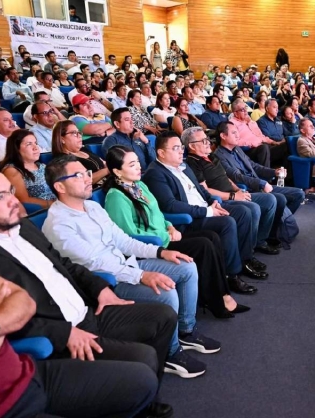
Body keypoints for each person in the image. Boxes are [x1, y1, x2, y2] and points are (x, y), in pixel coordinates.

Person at [0, 162, 176, 418]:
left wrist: (100, 289)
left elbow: (63, 264)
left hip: (87, 311)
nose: (13, 200)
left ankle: (144, 400)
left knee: (162, 316)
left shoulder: (21, 226)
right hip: (58, 337)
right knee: (141, 364)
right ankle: (137, 398)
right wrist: (63, 333)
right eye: (0, 196)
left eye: (10, 190)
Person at [42, 154, 215, 378]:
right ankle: (171, 354)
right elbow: (96, 263)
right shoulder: (58, 225)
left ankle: (186, 329)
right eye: (79, 175)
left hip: (126, 266)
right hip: (106, 282)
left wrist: (161, 251)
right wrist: (142, 275)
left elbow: (122, 240)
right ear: (59, 186)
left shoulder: (92, 207)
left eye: (87, 173)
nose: (88, 178)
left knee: (185, 267)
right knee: (165, 291)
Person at [103, 145, 253, 317]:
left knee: (212, 237)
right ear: (117, 171)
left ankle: (222, 294)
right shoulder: (116, 197)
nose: (138, 166)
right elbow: (128, 235)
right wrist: (164, 236)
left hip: (167, 235)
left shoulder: (139, 186)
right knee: (203, 245)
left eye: (137, 162)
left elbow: (158, 214)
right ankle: (218, 301)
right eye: (131, 165)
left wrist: (170, 226)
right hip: (154, 246)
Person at [142, 131, 268, 282]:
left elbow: (201, 189)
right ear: (161, 153)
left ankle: (245, 258)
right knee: (227, 222)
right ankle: (231, 274)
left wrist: (213, 201)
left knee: (243, 211)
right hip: (189, 219)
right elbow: (171, 205)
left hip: (206, 208)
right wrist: (207, 211)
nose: (181, 150)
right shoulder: (155, 173)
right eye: (176, 148)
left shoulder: (183, 166)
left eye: (181, 147)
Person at [184, 126, 279, 255]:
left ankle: (259, 241)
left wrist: (239, 189)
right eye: (203, 141)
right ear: (192, 146)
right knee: (253, 208)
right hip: (222, 200)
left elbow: (226, 178)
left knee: (270, 199)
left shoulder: (211, 156)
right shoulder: (192, 163)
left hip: (234, 193)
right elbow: (204, 191)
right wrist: (233, 196)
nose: (208, 143)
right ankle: (247, 253)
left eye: (207, 139)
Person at [213, 121, 305, 241]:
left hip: (259, 184)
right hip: (247, 189)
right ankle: (262, 238)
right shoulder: (218, 156)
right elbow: (236, 177)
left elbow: (254, 166)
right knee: (279, 199)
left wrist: (273, 172)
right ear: (223, 136)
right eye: (234, 132)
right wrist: (261, 183)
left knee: (299, 194)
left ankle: (274, 227)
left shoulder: (237, 150)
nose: (238, 135)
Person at [0, 130, 56, 209]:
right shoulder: (12, 170)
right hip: (40, 213)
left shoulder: (42, 166)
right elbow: (24, 201)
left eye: (35, 143)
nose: (35, 147)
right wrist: (56, 204)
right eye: (29, 144)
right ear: (17, 148)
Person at [230, 98, 285, 168]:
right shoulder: (232, 124)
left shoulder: (251, 122)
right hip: (249, 150)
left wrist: (274, 142)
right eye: (242, 110)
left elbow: (261, 136)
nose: (246, 111)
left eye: (246, 108)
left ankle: (285, 176)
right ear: (235, 113)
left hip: (262, 146)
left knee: (286, 145)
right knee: (264, 148)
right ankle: (267, 177)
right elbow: (235, 142)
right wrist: (253, 143)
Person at [52, 120, 109, 184]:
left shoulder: (83, 149)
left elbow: (104, 162)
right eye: (74, 133)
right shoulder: (62, 159)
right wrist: (107, 170)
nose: (79, 136)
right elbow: (83, 180)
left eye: (79, 132)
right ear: (62, 139)